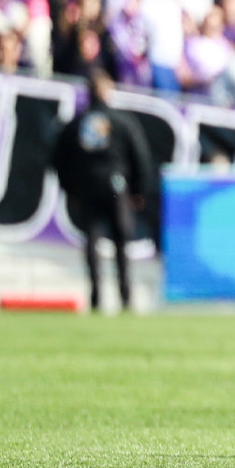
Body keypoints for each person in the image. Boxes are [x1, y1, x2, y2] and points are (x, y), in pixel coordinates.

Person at [54, 71, 156, 311]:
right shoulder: (122, 121)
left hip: (87, 188)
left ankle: (96, 296)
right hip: (116, 187)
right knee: (121, 240)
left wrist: (71, 189)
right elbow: (139, 155)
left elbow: (59, 159)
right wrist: (140, 190)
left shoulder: (76, 124)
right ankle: (126, 296)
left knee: (92, 240)